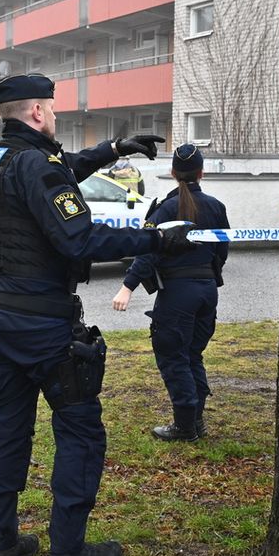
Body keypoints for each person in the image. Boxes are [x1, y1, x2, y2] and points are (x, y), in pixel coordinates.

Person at [0, 72, 196, 556]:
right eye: (51, 109)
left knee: (5, 434)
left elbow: (59, 169)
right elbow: (79, 240)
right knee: (80, 435)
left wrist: (112, 149)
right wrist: (156, 239)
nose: (55, 116)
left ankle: (2, 547)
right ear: (36, 113)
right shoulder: (34, 163)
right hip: (45, 327)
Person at [111, 144, 228, 441]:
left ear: (173, 173)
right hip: (206, 292)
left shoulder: (164, 208)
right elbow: (222, 250)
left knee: (174, 358)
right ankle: (196, 420)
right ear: (201, 172)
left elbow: (147, 250)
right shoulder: (216, 206)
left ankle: (185, 426)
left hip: (178, 294)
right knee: (192, 355)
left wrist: (128, 286)